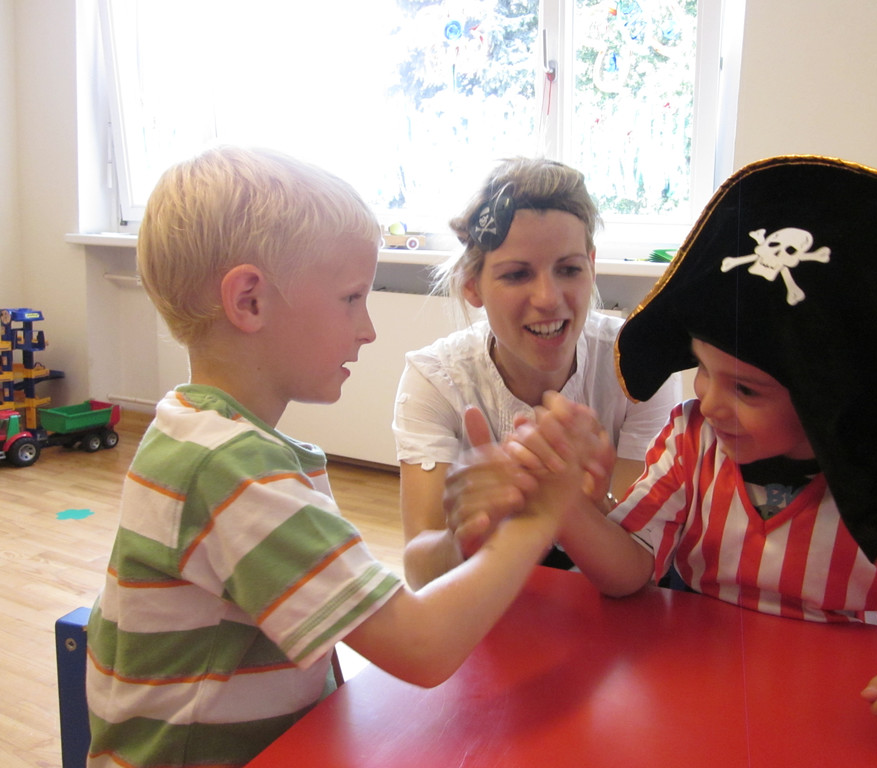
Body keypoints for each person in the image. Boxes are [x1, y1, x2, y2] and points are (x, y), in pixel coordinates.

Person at [449, 156, 877, 765]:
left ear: (833, 401)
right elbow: (630, 571)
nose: (709, 401)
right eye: (703, 369)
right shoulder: (693, 441)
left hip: (845, 732)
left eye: (747, 390)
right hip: (698, 715)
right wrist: (565, 503)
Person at [84, 146, 585, 768]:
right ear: (250, 301)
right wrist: (540, 514)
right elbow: (422, 648)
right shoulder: (233, 472)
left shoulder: (191, 433)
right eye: (351, 298)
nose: (368, 328)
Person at [393, 156, 679, 589]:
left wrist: (577, 503)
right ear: (472, 284)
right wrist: (463, 536)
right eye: (516, 274)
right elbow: (420, 575)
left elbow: (639, 564)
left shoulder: (638, 364)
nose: (547, 298)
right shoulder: (435, 380)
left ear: (591, 266)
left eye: (568, 269)